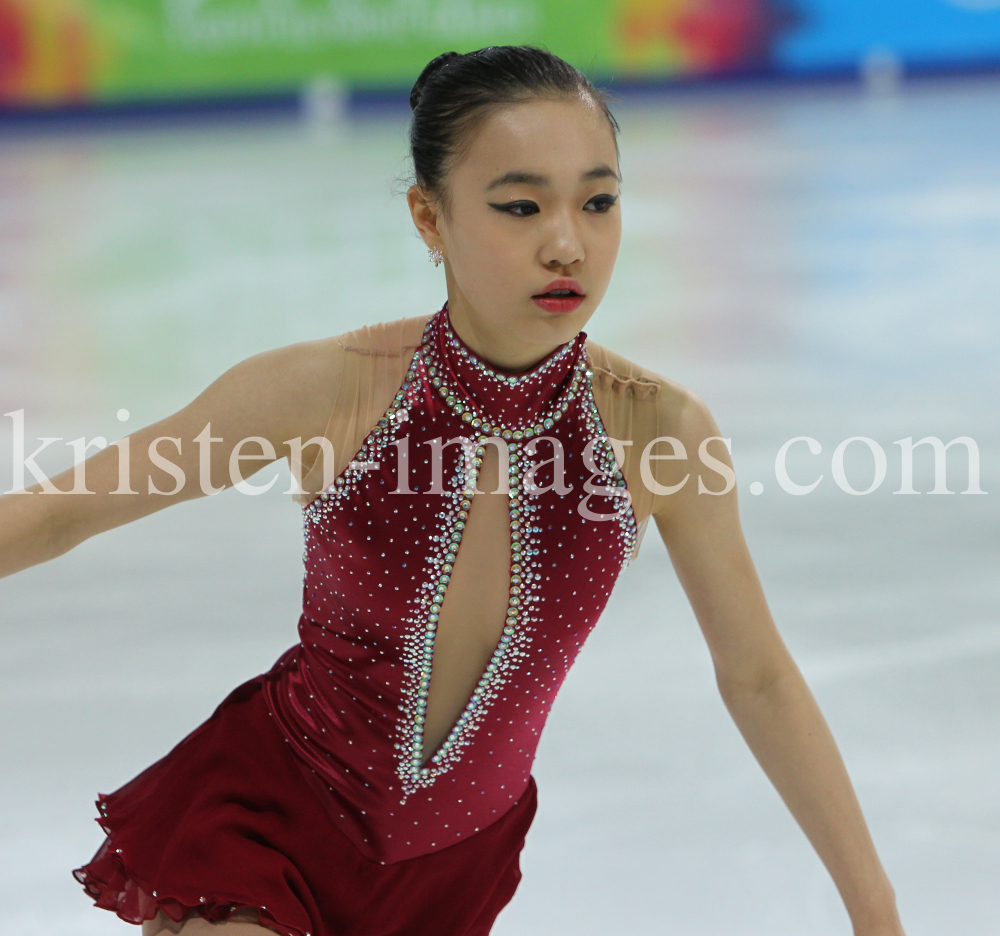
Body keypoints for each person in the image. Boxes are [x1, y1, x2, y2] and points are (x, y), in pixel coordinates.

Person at [0, 46, 905, 936]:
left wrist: (878, 917)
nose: (567, 243)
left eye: (599, 202)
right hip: (274, 820)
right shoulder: (332, 392)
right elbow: (60, 511)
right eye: (520, 206)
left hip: (452, 874)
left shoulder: (657, 434)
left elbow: (759, 678)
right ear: (429, 219)